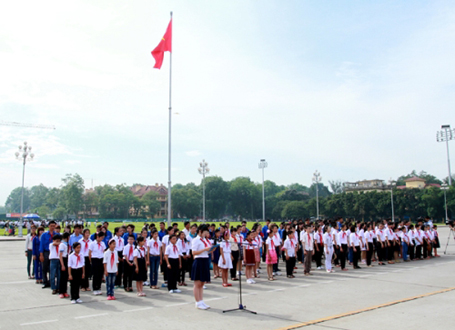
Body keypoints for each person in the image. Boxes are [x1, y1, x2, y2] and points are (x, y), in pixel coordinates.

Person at [191, 225, 212, 310]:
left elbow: (208, 250)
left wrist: (212, 249)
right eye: (205, 232)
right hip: (199, 261)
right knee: (197, 283)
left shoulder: (205, 240)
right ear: (200, 231)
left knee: (202, 283)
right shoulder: (195, 240)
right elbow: (194, 252)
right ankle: (197, 302)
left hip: (205, 260)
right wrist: (204, 250)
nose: (206, 234)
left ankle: (201, 300)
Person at [39, 220, 57, 288]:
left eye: (53, 226)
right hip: (46, 252)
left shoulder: (56, 234)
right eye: (51, 226)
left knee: (51, 268)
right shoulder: (44, 235)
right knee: (44, 267)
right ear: (48, 226)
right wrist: (41, 255)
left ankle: (51, 281)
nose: (52, 227)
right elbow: (41, 245)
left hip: (53, 252)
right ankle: (45, 281)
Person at [89, 231, 106, 295]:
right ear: (97, 237)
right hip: (94, 259)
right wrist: (91, 261)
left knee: (100, 275)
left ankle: (99, 288)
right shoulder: (92, 243)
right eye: (101, 237)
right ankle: (95, 288)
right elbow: (90, 253)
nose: (102, 239)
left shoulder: (102, 243)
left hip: (101, 259)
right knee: (95, 275)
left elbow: (104, 251)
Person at [58, 232, 70, 298]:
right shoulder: (62, 244)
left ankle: (65, 291)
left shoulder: (67, 244)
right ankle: (61, 292)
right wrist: (62, 265)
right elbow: (60, 255)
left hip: (67, 259)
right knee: (62, 277)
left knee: (65, 278)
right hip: (63, 260)